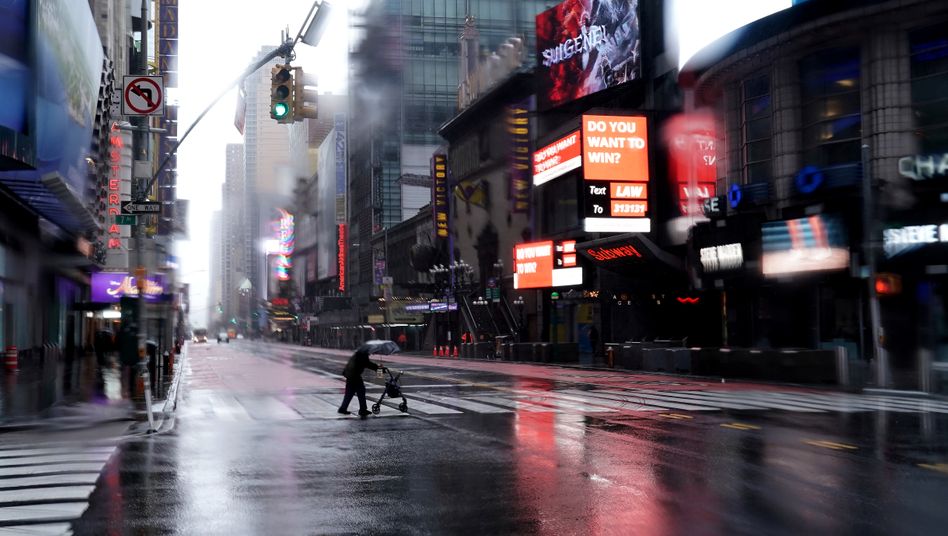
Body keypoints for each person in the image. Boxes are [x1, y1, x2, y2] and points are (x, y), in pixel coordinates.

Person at [338, 349, 384, 418]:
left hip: (350, 374)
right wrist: (379, 368)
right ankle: (362, 410)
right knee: (361, 391)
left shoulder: (358, 354)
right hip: (354, 375)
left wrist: (377, 368)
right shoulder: (363, 356)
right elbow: (368, 364)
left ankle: (343, 408)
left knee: (349, 393)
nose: (370, 354)